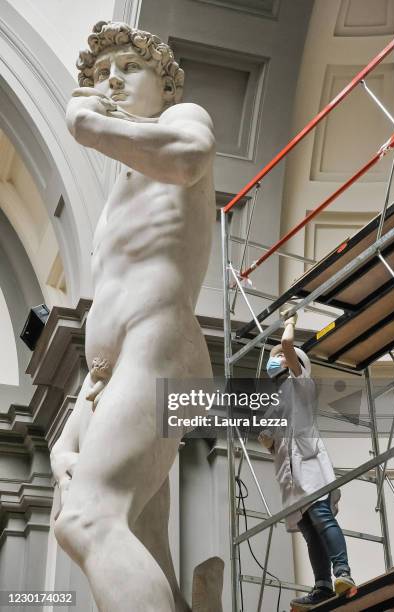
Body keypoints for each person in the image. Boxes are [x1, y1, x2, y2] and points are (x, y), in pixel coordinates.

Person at [50, 21, 216, 612]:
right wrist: (67, 436)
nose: (111, 80)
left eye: (128, 68)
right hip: (117, 371)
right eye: (100, 75)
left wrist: (90, 124)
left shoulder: (182, 119)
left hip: (165, 341)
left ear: (166, 86)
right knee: (142, 536)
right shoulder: (119, 189)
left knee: (89, 519)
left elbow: (189, 159)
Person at [258, 312, 356, 610]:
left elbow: (288, 346)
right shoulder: (279, 399)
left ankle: (343, 573)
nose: (276, 360)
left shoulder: (302, 385)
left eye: (281, 358)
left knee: (322, 519)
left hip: (310, 467)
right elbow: (267, 436)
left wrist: (289, 322)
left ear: (295, 363)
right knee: (310, 532)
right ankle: (323, 586)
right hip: (291, 478)